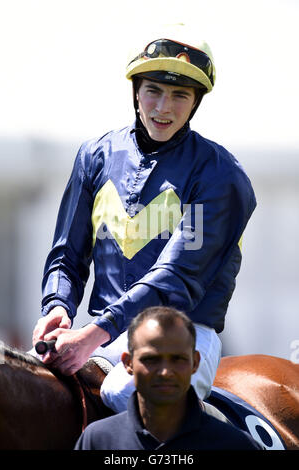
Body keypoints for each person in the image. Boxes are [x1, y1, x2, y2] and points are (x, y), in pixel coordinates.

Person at [32, 24, 256, 413]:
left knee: (125, 393)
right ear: (136, 92)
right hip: (105, 333)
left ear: (196, 102)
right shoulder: (95, 156)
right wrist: (58, 307)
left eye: (180, 95)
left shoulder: (221, 175)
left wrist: (94, 333)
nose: (163, 107)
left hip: (182, 335)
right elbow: (67, 254)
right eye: (153, 90)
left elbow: (179, 277)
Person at [74, 307, 263, 450]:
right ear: (128, 363)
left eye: (178, 359)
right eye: (151, 360)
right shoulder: (97, 440)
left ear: (195, 362)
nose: (165, 372)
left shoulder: (236, 444)